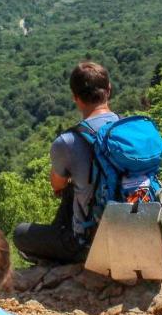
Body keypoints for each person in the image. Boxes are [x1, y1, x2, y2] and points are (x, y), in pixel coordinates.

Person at [14, 61, 119, 263]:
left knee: (20, 234)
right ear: (109, 90)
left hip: (90, 243)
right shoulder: (129, 130)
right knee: (74, 190)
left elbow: (57, 184)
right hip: (133, 227)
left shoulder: (68, 142)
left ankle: (67, 255)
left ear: (75, 98)